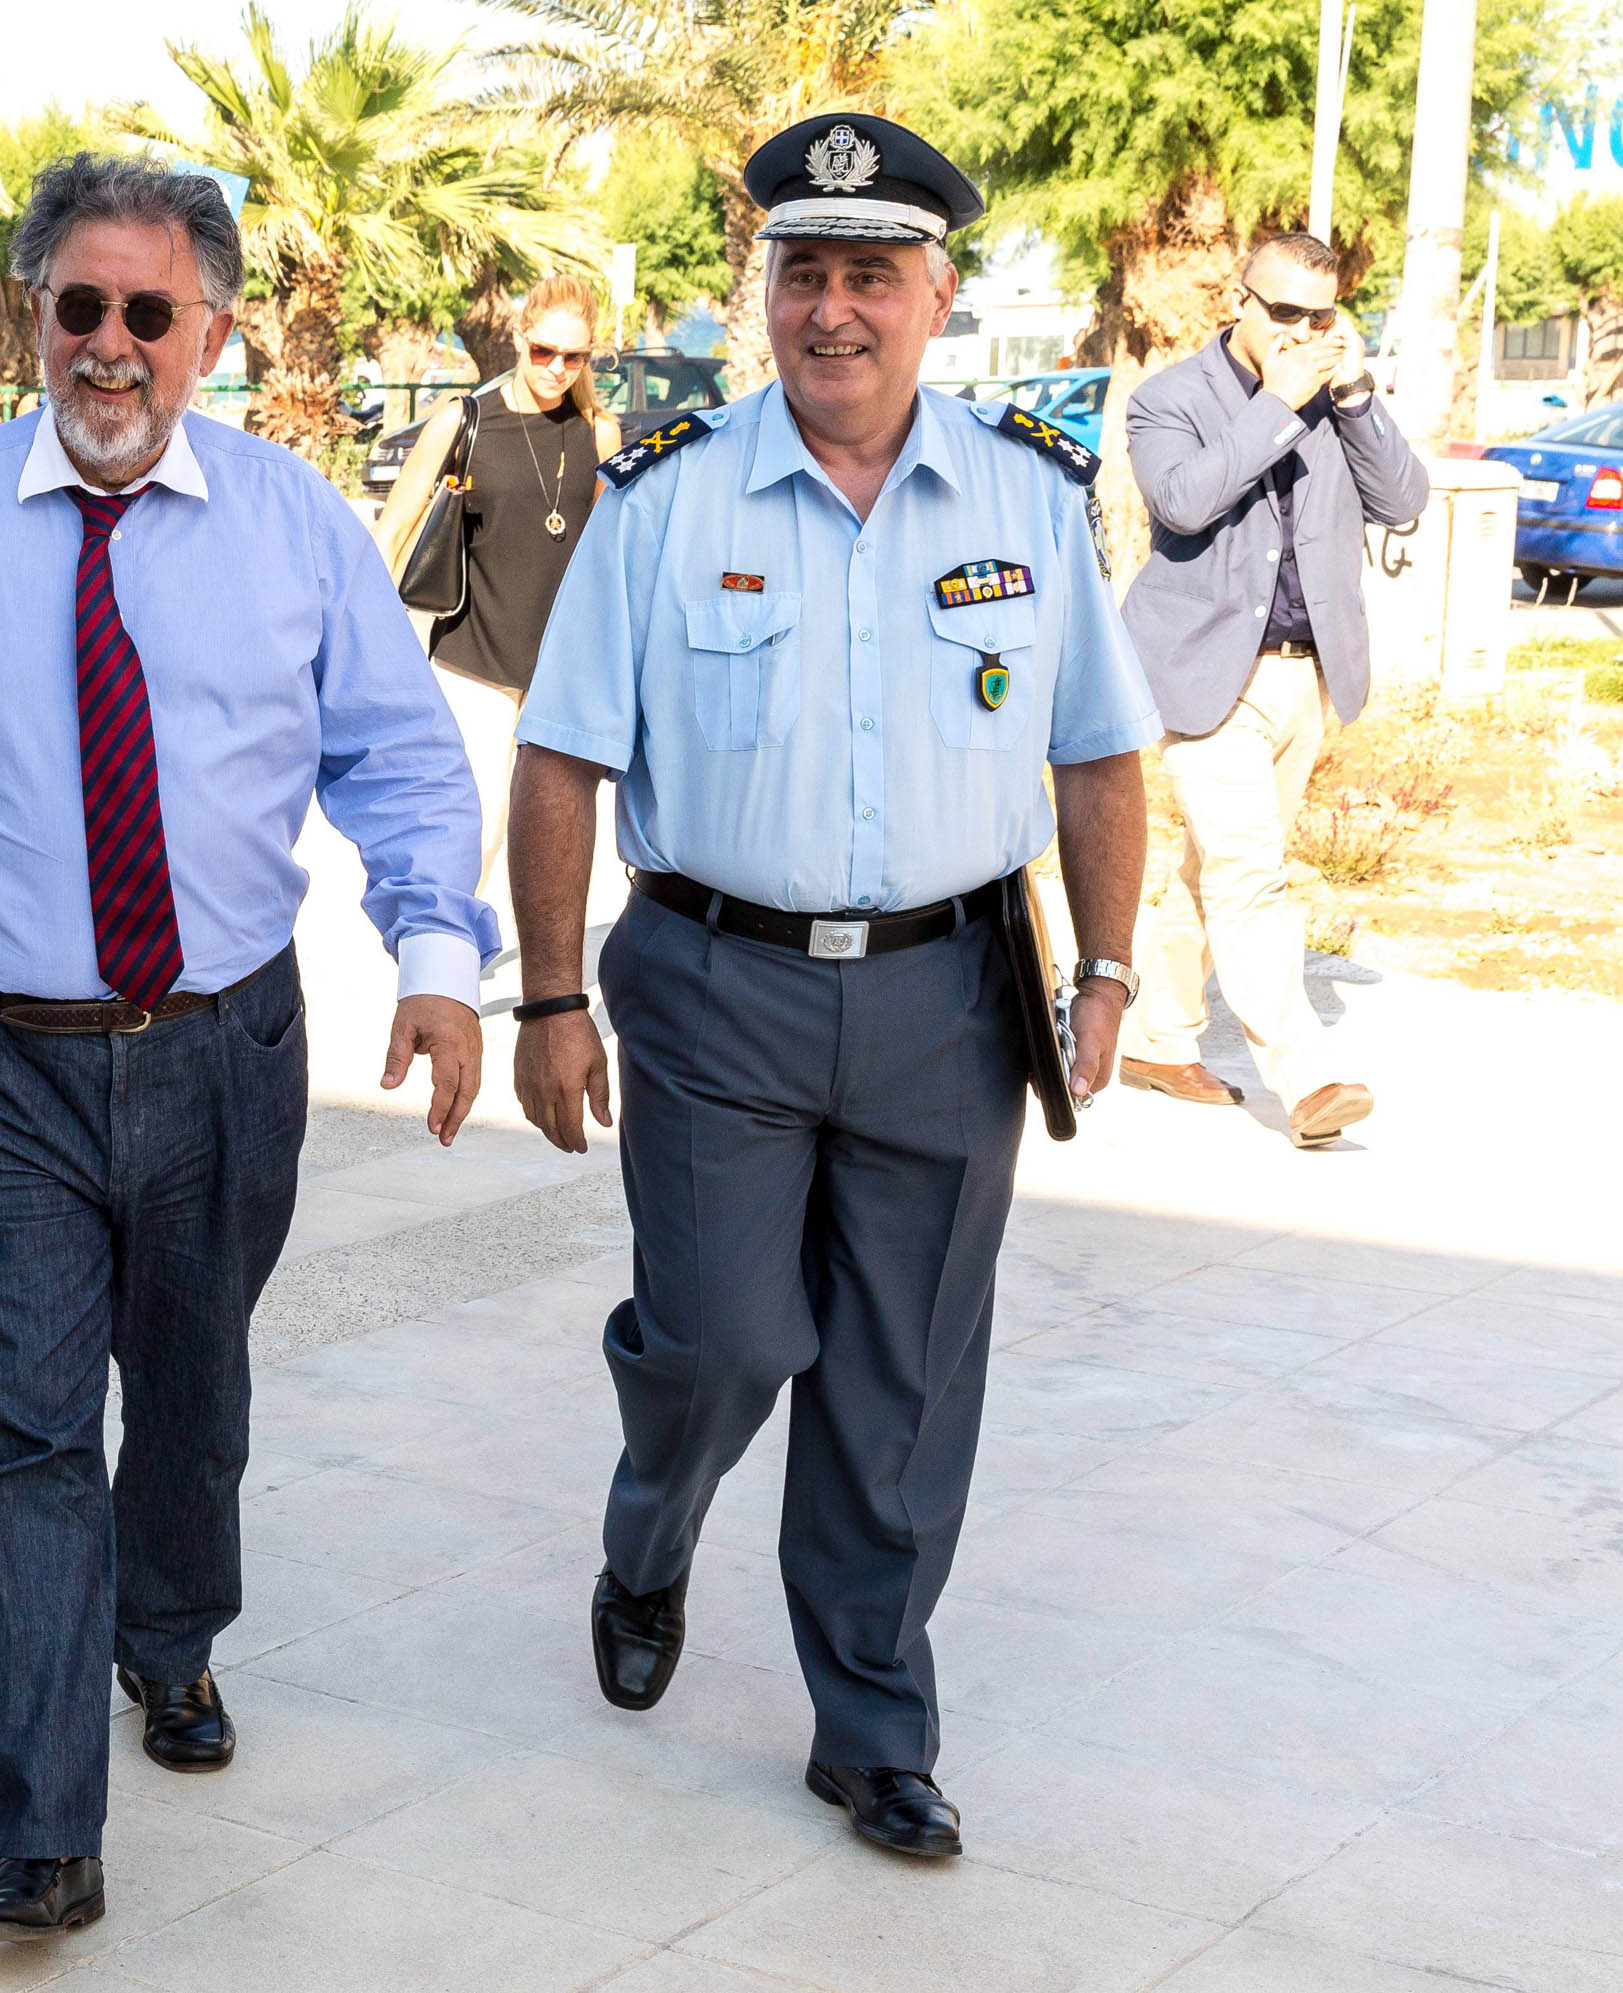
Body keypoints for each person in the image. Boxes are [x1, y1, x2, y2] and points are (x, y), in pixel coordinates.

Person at [0, 155, 500, 1944]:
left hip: (222, 1047)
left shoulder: (293, 523)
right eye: (76, 306)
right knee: (17, 1433)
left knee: (188, 1390)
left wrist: (434, 959)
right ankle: (45, 1831)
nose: (108, 345)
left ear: (208, 334)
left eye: (145, 312)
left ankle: (168, 1635)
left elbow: (397, 755)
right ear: (31, 315)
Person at [511, 113, 1157, 1860]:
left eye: (871, 273)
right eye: (802, 271)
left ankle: (869, 1725)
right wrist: (550, 999)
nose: (832, 309)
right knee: (722, 1336)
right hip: (713, 980)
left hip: (951, 995)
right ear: (763, 293)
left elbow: (1096, 749)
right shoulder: (665, 497)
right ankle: (649, 1530)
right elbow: (559, 754)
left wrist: (1104, 966)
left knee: (900, 1384)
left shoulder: (1026, 495)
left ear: (936, 298)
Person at [1115, 233, 1420, 1147]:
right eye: (1283, 311)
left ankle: (1158, 1039)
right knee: (1251, 876)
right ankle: (1305, 1073)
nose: (1300, 331)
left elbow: (1402, 501)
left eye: (1318, 316)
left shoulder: (1336, 398)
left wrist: (1355, 396)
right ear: (1236, 302)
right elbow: (1181, 502)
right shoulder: (1168, 399)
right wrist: (1277, 405)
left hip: (1304, 675)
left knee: (1215, 867)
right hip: (1205, 672)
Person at [372, 275, 621, 881]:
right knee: (474, 830)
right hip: (473, 660)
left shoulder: (600, 432)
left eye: (573, 357)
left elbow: (607, 554)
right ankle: (451, 938)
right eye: (543, 351)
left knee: (547, 839)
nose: (556, 368)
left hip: (559, 670)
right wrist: (368, 646)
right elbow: (392, 530)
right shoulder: (463, 420)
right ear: (518, 337)